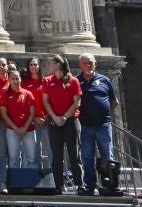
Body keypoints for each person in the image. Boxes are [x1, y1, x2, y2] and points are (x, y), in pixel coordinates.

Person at [75, 54, 116, 196]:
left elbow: (114, 101)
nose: (88, 65)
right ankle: (90, 186)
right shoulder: (76, 81)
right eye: (85, 63)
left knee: (107, 155)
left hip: (103, 125)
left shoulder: (105, 80)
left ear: (96, 64)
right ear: (80, 65)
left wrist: (105, 114)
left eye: (91, 63)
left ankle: (110, 185)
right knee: (87, 156)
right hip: (85, 126)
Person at [41, 56, 82, 193]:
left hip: (70, 121)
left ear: (58, 65)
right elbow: (46, 101)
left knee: (74, 154)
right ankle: (58, 185)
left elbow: (77, 102)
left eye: (49, 63)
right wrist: (54, 116)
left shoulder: (73, 80)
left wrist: (65, 117)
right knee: (57, 154)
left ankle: (79, 184)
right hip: (54, 121)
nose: (47, 66)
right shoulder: (47, 81)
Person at [0, 60, 38, 192]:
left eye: (17, 78)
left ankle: (29, 184)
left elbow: (32, 113)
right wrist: (16, 128)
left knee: (31, 158)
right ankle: (15, 185)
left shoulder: (28, 93)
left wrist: (25, 127)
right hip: (12, 130)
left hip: (29, 130)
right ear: (9, 80)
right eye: (13, 79)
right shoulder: (5, 94)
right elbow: (4, 114)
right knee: (14, 158)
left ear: (21, 79)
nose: (15, 81)